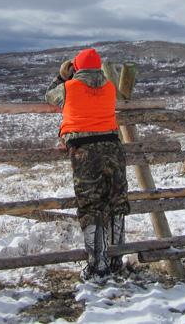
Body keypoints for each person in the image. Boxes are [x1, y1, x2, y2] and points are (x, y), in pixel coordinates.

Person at [45, 47, 130, 280]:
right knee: (116, 201)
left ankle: (97, 266)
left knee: (91, 207)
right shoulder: (110, 87)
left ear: (77, 67)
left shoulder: (68, 87)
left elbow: (49, 95)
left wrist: (63, 75)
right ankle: (116, 260)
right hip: (113, 147)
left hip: (84, 150)